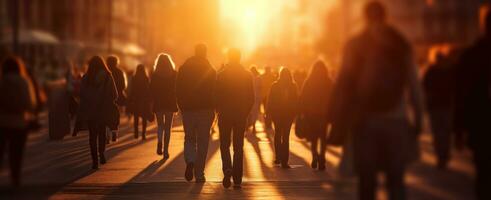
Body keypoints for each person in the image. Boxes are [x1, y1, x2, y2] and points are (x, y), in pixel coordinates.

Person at [330, 2, 424, 200]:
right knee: (396, 179)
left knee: (367, 180)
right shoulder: (400, 42)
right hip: (396, 119)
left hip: (364, 120)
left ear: (365, 17)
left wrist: (337, 120)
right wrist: (418, 118)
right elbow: (414, 85)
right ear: (385, 16)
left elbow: (343, 85)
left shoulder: (355, 44)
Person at [454, 11, 491, 200]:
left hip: (482, 127)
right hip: (481, 126)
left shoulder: (471, 56)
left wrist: (458, 130)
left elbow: (461, 96)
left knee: (484, 175)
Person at [176, 44, 216, 182]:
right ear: (205, 53)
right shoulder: (210, 69)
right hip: (206, 109)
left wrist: (182, 105)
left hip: (188, 109)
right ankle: (199, 174)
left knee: (189, 138)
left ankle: (190, 161)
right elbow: (215, 90)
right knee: (203, 141)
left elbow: (178, 88)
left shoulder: (184, 68)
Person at [215, 48, 254, 188]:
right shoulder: (247, 75)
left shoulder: (221, 75)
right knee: (239, 146)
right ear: (240, 58)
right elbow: (251, 98)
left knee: (224, 144)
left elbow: (216, 96)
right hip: (240, 115)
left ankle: (227, 168)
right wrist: (245, 112)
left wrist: (218, 109)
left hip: (225, 114)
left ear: (229, 58)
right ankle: (237, 177)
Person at [74, 56, 119, 169]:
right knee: (102, 133)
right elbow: (115, 94)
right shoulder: (108, 76)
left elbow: (81, 94)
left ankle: (94, 160)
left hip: (90, 111)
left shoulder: (86, 78)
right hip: (103, 110)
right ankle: (102, 154)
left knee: (92, 136)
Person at [0, 56, 36, 187]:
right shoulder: (24, 81)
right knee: (16, 153)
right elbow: (30, 103)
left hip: (2, 122)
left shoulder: (2, 81)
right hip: (20, 122)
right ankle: (15, 178)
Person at [423, 53, 455, 170]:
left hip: (436, 106)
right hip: (446, 105)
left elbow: (425, 88)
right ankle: (444, 156)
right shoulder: (449, 72)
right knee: (445, 133)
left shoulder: (430, 72)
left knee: (438, 133)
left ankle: (441, 156)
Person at [299, 61, 332, 171]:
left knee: (313, 138)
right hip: (324, 114)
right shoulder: (328, 82)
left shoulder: (309, 81)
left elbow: (303, 97)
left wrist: (302, 112)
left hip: (311, 114)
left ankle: (315, 156)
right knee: (323, 138)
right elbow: (333, 98)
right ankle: (322, 158)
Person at [267, 67, 298, 169]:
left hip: (278, 115)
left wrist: (269, 113)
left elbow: (270, 101)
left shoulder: (275, 85)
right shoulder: (292, 86)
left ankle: (279, 157)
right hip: (286, 115)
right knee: (285, 137)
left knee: (278, 135)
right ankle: (284, 161)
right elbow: (296, 101)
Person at [150, 54, 178, 159]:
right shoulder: (174, 74)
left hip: (159, 103)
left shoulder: (155, 75)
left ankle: (159, 141)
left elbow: (151, 90)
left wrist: (152, 102)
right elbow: (177, 89)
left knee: (160, 125)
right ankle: (166, 150)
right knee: (168, 128)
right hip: (170, 103)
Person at [128, 64, 152, 140]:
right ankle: (143, 134)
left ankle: (136, 133)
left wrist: (130, 99)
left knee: (136, 118)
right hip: (144, 100)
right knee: (144, 118)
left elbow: (132, 89)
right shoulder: (146, 78)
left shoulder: (134, 78)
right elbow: (148, 90)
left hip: (136, 100)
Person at [106, 56, 126, 142]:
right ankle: (114, 131)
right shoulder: (119, 72)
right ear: (116, 62)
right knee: (116, 115)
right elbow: (123, 85)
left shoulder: (105, 71)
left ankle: (107, 134)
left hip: (106, 97)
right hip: (117, 97)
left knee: (106, 115)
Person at [248, 65, 262, 134]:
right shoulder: (258, 78)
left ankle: (249, 125)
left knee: (249, 112)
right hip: (256, 97)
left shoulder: (248, 77)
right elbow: (260, 88)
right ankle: (253, 126)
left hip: (249, 97)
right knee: (255, 112)